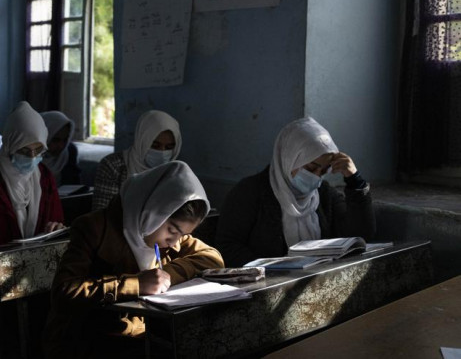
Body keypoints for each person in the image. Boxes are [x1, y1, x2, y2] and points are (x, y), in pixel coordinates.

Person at [43, 161, 224, 358]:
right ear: (154, 210)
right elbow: (64, 292)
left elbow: (212, 258)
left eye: (182, 235)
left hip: (140, 336)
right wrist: (136, 283)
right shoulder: (94, 228)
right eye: (172, 231)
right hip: (87, 341)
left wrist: (166, 276)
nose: (174, 243)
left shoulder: (170, 237)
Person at [215, 117, 375, 268]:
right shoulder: (249, 192)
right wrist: (272, 270)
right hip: (269, 285)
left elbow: (360, 236)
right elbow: (228, 247)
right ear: (289, 158)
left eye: (324, 170)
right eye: (311, 168)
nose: (317, 176)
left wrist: (355, 182)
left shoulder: (324, 194)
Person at [0, 101, 64, 249]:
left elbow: (56, 222)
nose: (32, 158)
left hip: (41, 264)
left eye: (38, 150)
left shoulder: (44, 177)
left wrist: (57, 229)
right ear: (10, 146)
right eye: (24, 151)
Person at [92, 110, 182, 210]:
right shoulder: (114, 167)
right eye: (155, 145)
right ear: (142, 141)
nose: (162, 152)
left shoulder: (175, 173)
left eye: (169, 147)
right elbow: (102, 214)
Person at [40, 111, 81, 186]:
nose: (61, 146)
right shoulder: (29, 155)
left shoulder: (69, 151)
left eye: (65, 140)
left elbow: (74, 185)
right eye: (55, 140)